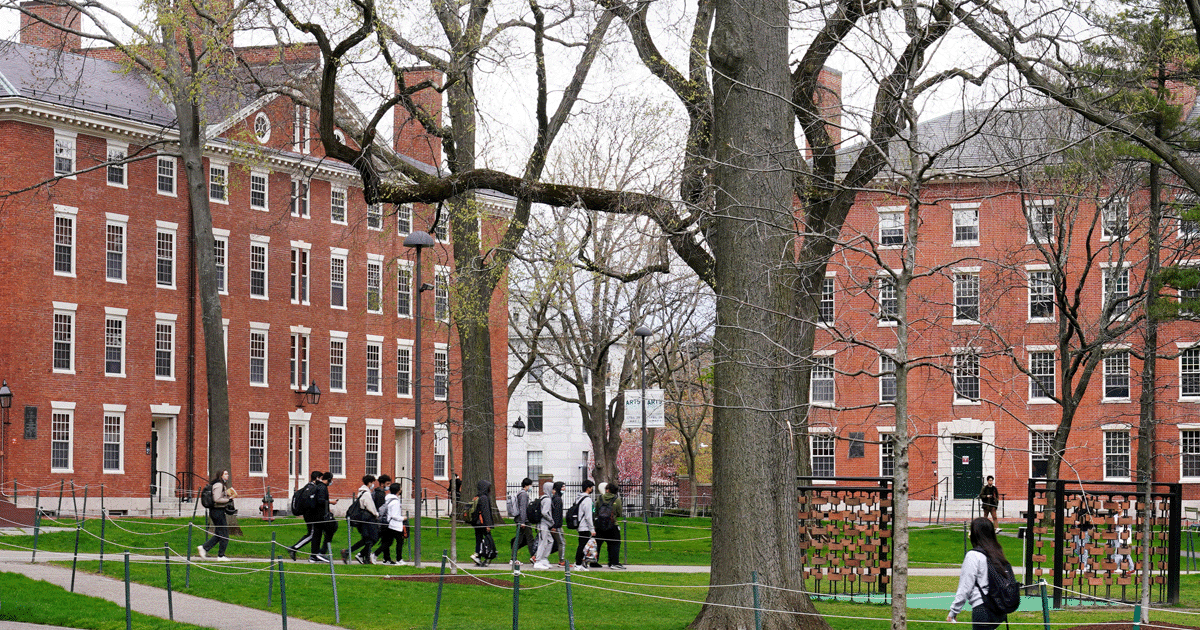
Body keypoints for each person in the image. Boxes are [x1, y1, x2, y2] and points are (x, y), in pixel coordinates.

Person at [948, 517, 1014, 630]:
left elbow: (965, 586)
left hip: (983, 608)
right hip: (999, 609)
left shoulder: (973, 556)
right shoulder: (997, 553)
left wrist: (954, 611)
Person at [287, 471, 323, 561]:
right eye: (321, 478)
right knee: (312, 534)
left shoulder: (307, 486)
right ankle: (294, 548)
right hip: (311, 515)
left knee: (313, 533)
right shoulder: (312, 488)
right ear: (317, 478)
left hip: (308, 514)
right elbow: (310, 502)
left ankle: (314, 554)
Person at [197, 470, 232, 561]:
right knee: (224, 534)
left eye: (227, 474)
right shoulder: (219, 485)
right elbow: (216, 499)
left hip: (218, 511)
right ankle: (221, 555)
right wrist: (228, 500)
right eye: (225, 474)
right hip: (217, 511)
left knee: (219, 533)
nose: (227, 475)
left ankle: (204, 548)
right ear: (221, 475)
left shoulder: (220, 484)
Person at [343, 474, 379, 564]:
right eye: (372, 483)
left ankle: (351, 553)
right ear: (370, 483)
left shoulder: (361, 492)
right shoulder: (366, 494)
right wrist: (376, 514)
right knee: (370, 539)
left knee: (366, 540)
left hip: (362, 519)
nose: (373, 485)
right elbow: (370, 507)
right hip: (367, 519)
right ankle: (358, 555)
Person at [377, 482, 409, 565]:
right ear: (398, 490)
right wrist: (403, 518)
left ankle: (381, 557)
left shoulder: (387, 498)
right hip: (394, 525)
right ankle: (399, 559)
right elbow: (395, 515)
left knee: (388, 542)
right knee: (398, 541)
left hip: (388, 523)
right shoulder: (395, 501)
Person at [594, 482, 625, 570]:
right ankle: (613, 562)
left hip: (600, 524)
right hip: (612, 524)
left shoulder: (599, 498)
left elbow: (596, 510)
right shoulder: (617, 499)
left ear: (607, 490)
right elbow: (619, 513)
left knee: (597, 544)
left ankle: (594, 561)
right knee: (614, 544)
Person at [469, 479, 496, 566]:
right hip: (482, 523)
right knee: (488, 540)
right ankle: (483, 555)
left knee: (479, 539)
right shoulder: (484, 498)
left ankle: (478, 555)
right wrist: (488, 525)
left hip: (477, 523)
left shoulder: (478, 497)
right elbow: (486, 512)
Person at [531, 481, 555, 570]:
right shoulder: (547, 500)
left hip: (544, 524)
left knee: (550, 541)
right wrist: (551, 520)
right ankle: (538, 561)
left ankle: (544, 559)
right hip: (543, 524)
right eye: (552, 489)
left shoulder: (543, 498)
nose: (553, 491)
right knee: (542, 542)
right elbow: (544, 512)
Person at [572, 480, 595, 571]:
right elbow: (588, 516)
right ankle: (578, 564)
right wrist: (592, 529)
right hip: (584, 525)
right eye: (591, 487)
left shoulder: (578, 498)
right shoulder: (587, 500)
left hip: (579, 524)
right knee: (583, 545)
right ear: (588, 488)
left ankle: (580, 563)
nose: (592, 489)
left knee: (582, 544)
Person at [511, 478, 535, 563]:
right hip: (524, 520)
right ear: (527, 485)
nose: (531, 487)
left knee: (520, 539)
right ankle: (533, 556)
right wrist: (523, 521)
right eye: (530, 485)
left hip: (521, 520)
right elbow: (523, 508)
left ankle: (513, 558)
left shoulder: (520, 493)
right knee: (529, 539)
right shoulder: (524, 494)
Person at [551, 481, 567, 566]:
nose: (564, 488)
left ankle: (535, 556)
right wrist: (555, 526)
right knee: (562, 542)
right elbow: (556, 514)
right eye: (562, 487)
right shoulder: (558, 499)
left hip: (555, 525)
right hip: (557, 526)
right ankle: (561, 560)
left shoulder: (555, 498)